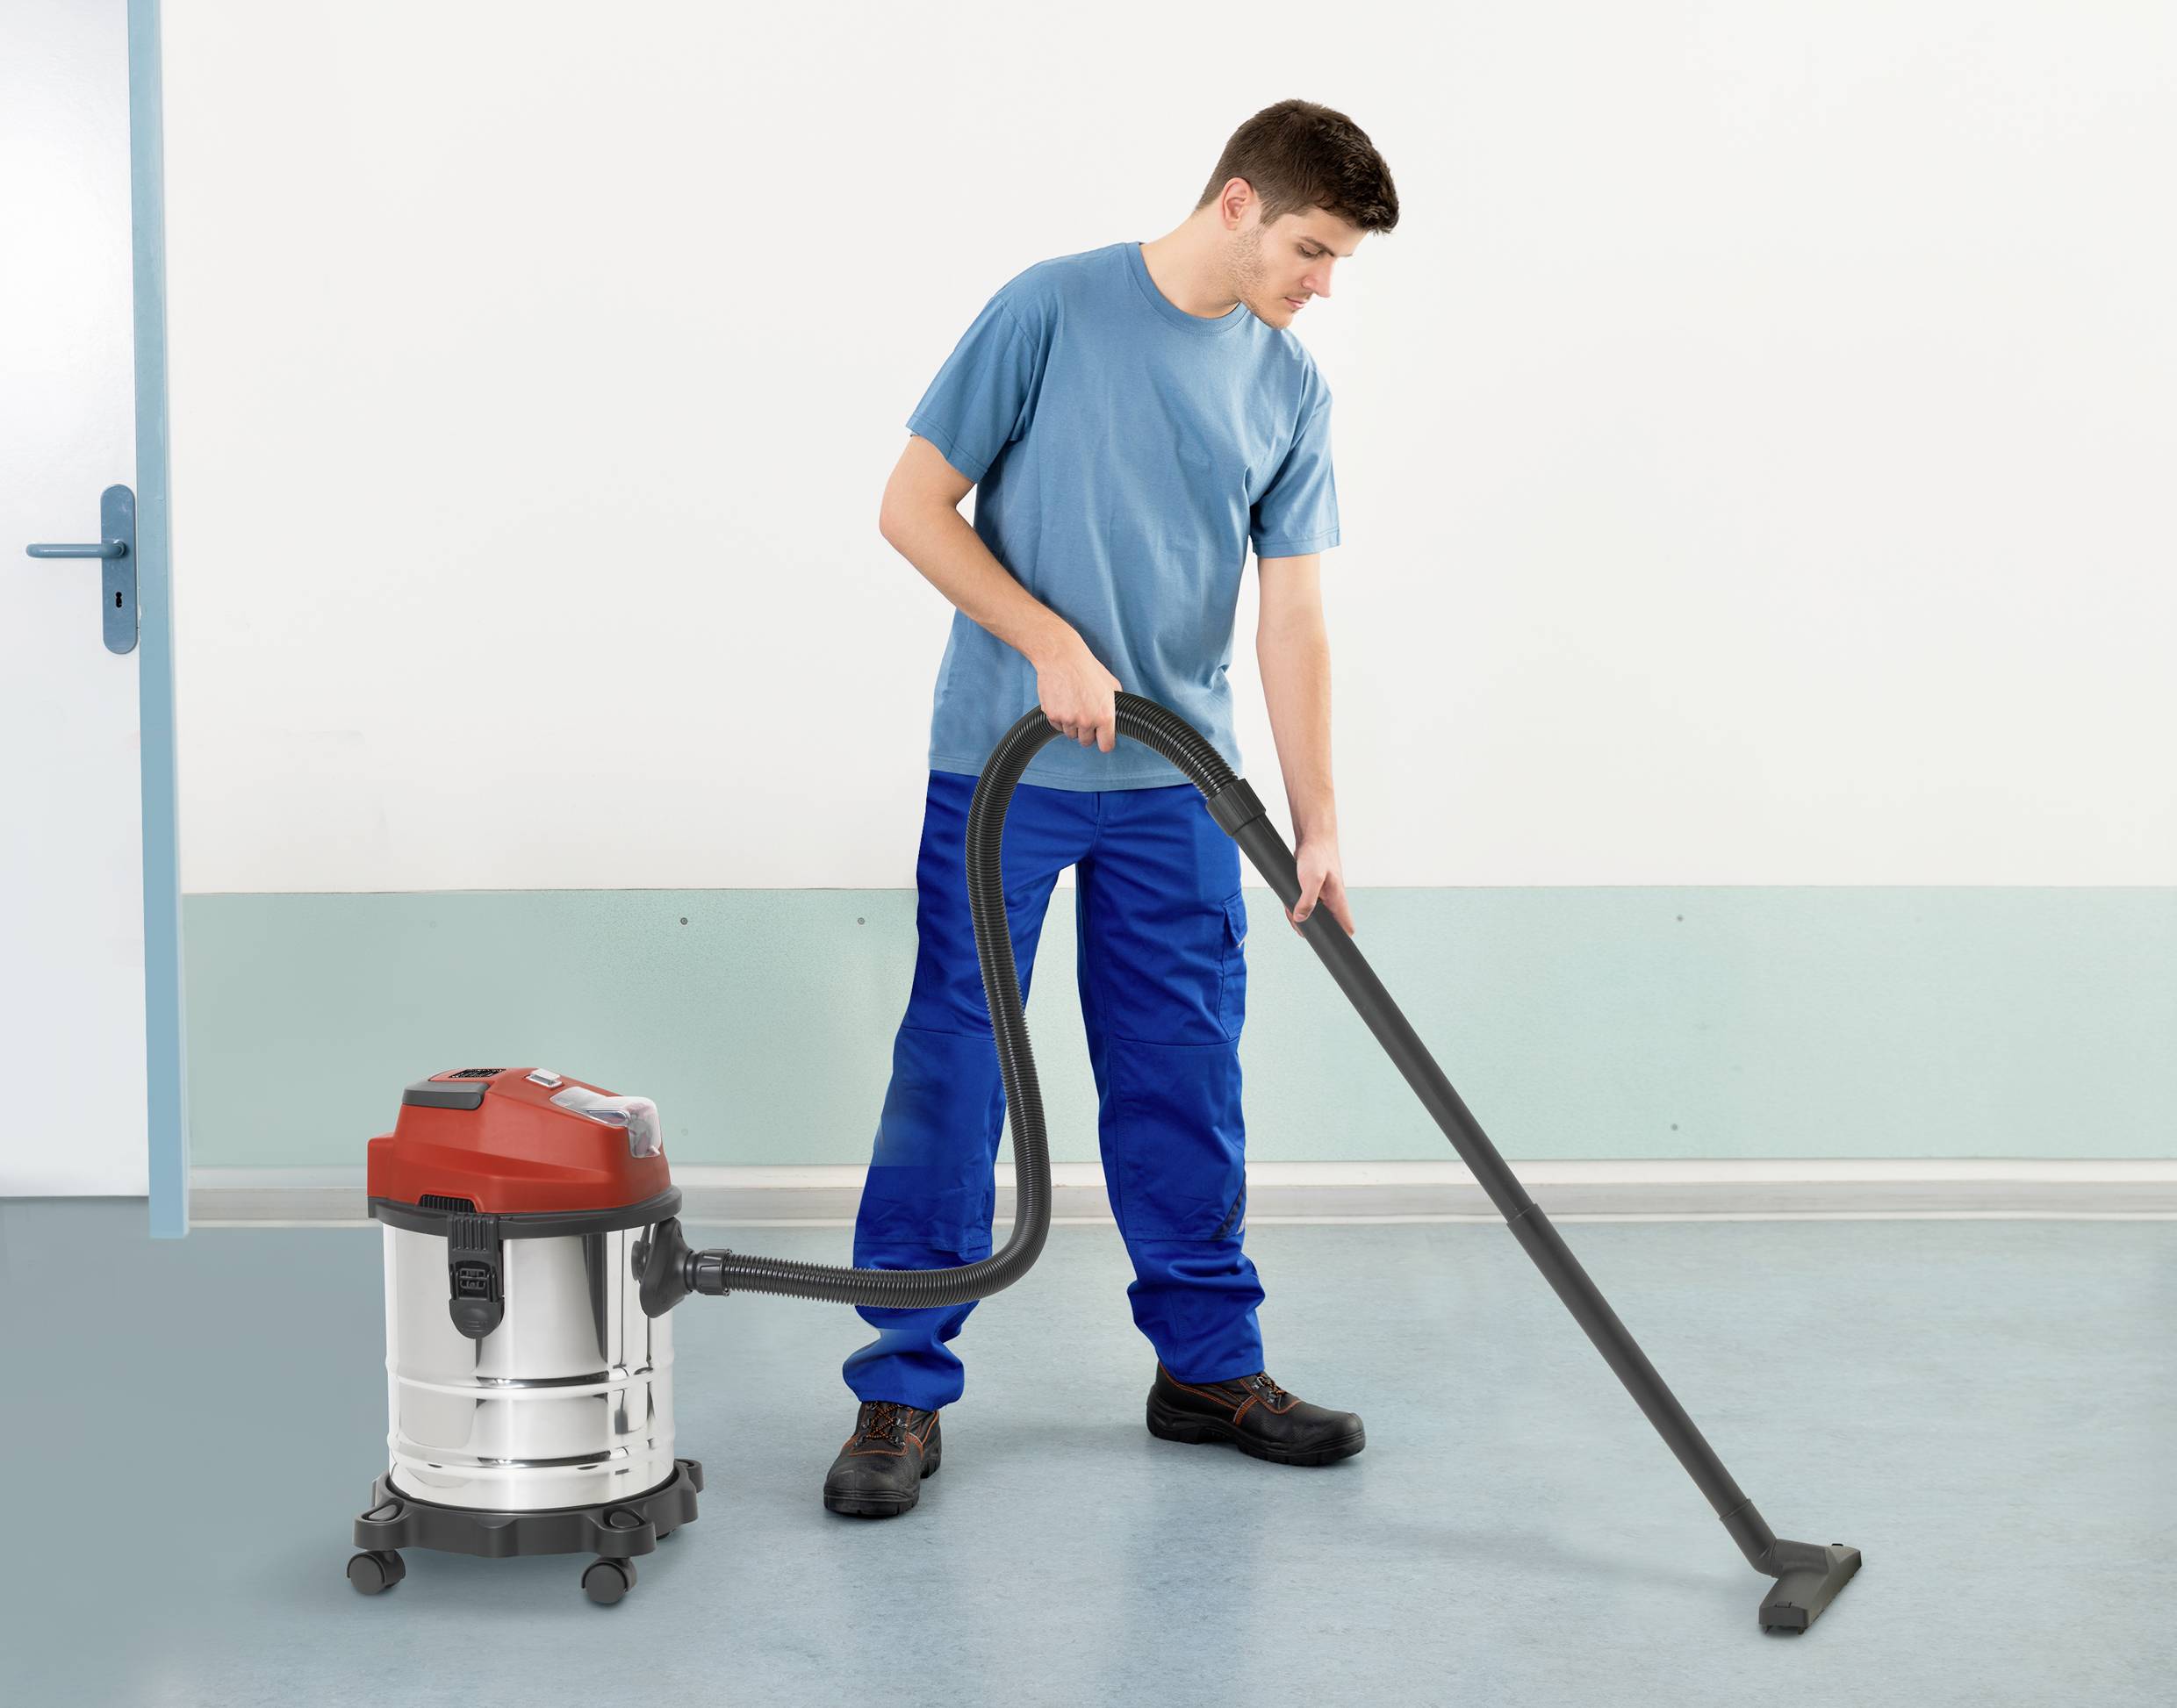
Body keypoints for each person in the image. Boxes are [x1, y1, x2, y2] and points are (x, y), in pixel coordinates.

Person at [824, 99, 1399, 1518]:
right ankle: (899, 1389)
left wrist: (1316, 817)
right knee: (957, 1068)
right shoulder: (1051, 309)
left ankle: (1207, 1368)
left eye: (1336, 264)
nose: (1322, 285)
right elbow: (911, 504)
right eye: (1314, 250)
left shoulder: (1290, 389)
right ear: (1238, 206)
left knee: (1185, 1071)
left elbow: (1295, 617)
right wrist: (1046, 639)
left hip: (1180, 787)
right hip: (1003, 769)